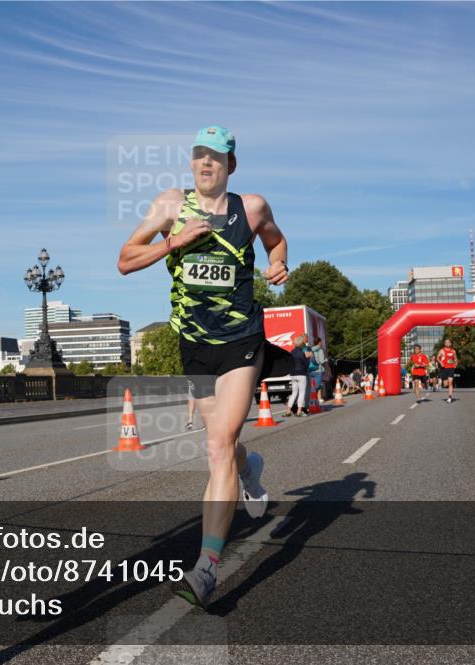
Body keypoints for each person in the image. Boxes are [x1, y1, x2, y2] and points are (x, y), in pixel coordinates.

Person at [117, 124, 289, 609]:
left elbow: (277, 242)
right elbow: (125, 260)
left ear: (231, 164)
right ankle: (249, 468)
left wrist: (279, 263)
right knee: (225, 446)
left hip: (241, 340)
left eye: (216, 155)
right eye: (198, 154)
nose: (206, 162)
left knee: (216, 447)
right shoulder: (171, 205)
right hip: (194, 344)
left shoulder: (251, 208)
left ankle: (207, 567)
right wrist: (173, 243)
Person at [285, 334, 312, 417]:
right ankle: (299, 411)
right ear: (301, 344)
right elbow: (305, 364)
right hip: (301, 374)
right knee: (302, 393)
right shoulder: (301, 353)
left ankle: (288, 411)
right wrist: (308, 357)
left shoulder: (291, 352)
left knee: (294, 393)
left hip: (293, 374)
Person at [437, 339, 458, 403]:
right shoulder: (442, 350)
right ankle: (444, 384)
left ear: (450, 343)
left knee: (450, 382)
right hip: (444, 368)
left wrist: (456, 363)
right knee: (445, 384)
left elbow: (455, 358)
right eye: (446, 342)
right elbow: (438, 357)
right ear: (444, 344)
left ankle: (450, 397)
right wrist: (441, 362)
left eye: (448, 342)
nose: (447, 343)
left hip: (451, 368)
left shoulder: (453, 351)